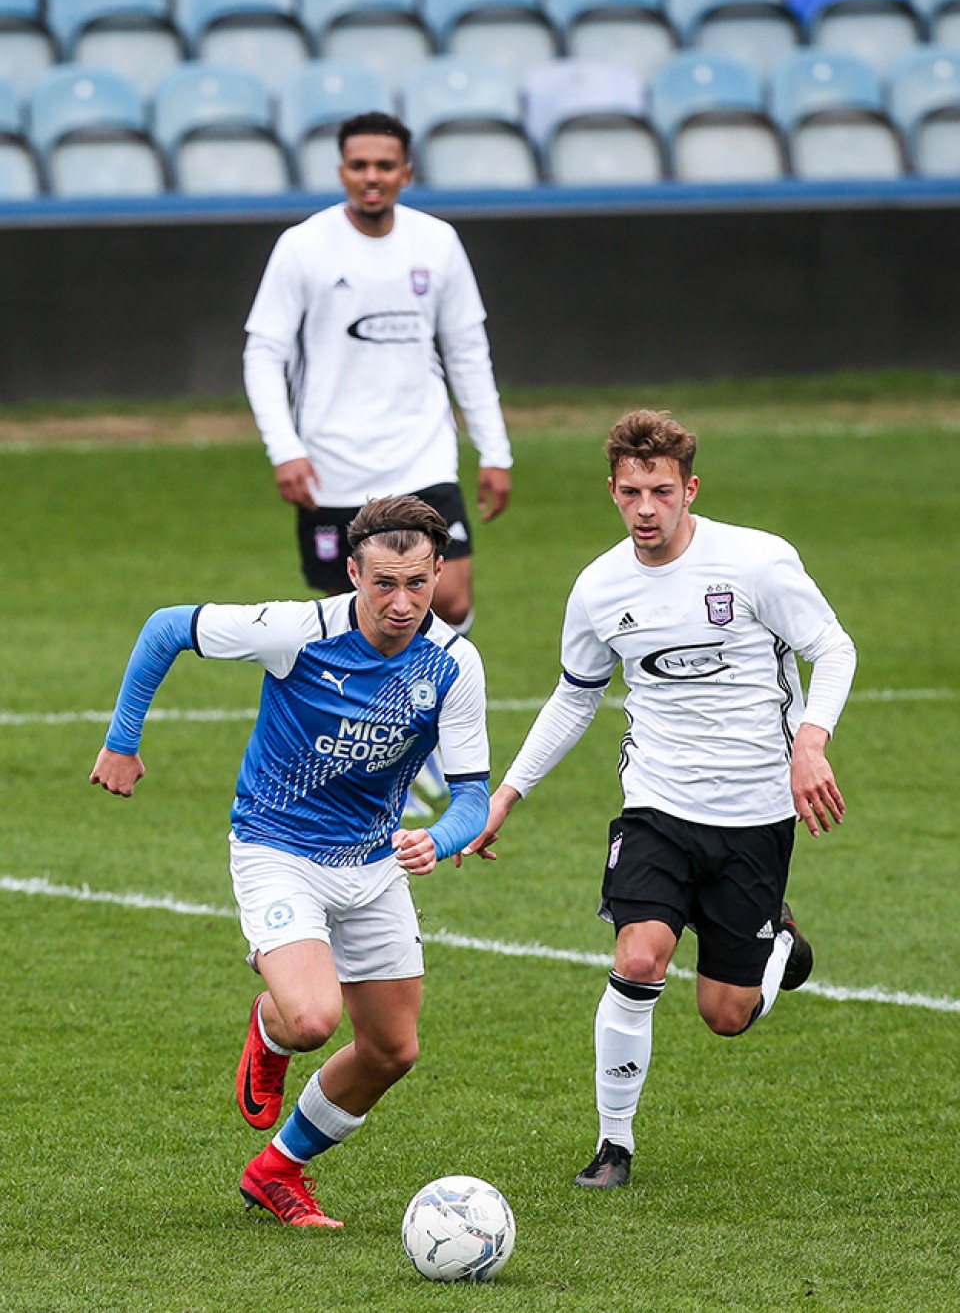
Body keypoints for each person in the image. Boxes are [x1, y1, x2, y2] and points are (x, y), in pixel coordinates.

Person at [465, 410, 857, 1189]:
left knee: (725, 1014)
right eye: (632, 491)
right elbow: (575, 698)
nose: (647, 508)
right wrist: (505, 793)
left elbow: (832, 647)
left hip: (753, 813)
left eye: (662, 491)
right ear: (612, 491)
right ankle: (615, 1146)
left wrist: (809, 741)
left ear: (690, 490)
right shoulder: (599, 587)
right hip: (657, 805)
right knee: (640, 956)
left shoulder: (756, 563)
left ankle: (780, 944)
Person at [90, 495, 493, 1228]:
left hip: (374, 865)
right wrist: (123, 739)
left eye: (417, 583)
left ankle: (279, 1171)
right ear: (352, 573)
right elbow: (165, 629)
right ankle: (273, 1029)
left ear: (439, 571)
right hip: (278, 849)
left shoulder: (455, 666)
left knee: (393, 1050)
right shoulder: (297, 632)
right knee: (312, 1018)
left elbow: (471, 794)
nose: (401, 603)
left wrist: (439, 838)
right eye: (382, 584)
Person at [242, 110, 513, 637]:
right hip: (332, 464)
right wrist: (285, 449)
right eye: (359, 164)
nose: (372, 176)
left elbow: (467, 352)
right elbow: (263, 353)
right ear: (341, 172)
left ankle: (433, 704)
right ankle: (376, 717)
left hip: (422, 453)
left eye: (385, 166)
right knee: (357, 616)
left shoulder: (437, 244)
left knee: (450, 600)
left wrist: (495, 451)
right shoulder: (303, 246)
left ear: (406, 173)